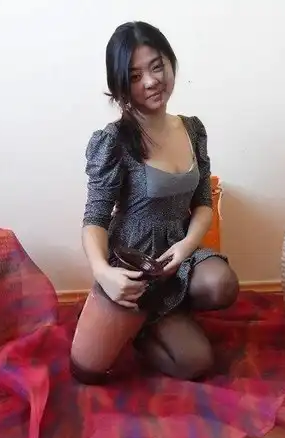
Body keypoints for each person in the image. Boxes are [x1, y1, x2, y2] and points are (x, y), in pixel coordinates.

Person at [70, 21, 239, 385]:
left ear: (170, 63)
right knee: (88, 371)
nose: (150, 81)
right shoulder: (113, 140)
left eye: (157, 66)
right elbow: (95, 217)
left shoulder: (193, 129)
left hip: (176, 255)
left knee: (221, 285)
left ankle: (168, 312)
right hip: (134, 264)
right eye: (135, 76)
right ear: (119, 85)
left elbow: (203, 202)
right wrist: (103, 273)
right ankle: (139, 325)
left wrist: (187, 246)